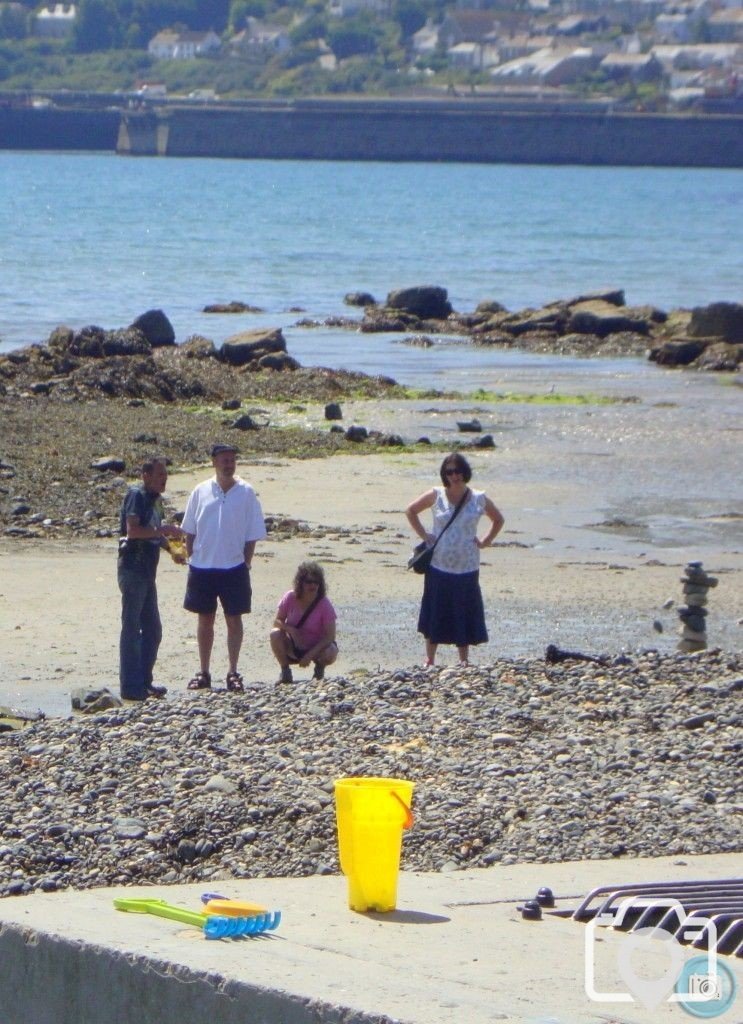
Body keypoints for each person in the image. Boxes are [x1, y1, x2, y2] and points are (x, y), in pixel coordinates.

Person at [182, 443, 267, 693]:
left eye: (232, 460)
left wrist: (246, 562)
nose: (228, 464)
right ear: (214, 462)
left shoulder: (246, 492)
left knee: (234, 619)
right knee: (205, 619)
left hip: (234, 567)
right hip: (202, 567)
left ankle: (232, 671)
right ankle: (204, 671)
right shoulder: (200, 491)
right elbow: (189, 529)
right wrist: (192, 557)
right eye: (224, 460)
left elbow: (253, 533)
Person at [405, 452, 504, 667]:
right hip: (438, 563)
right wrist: (424, 535)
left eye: (458, 471)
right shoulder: (436, 494)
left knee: (463, 609)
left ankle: (463, 659)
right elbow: (411, 511)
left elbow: (498, 519)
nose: (454, 476)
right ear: (444, 474)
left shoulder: (478, 498)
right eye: (449, 472)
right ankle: (430, 658)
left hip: (467, 566)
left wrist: (485, 541)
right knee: (435, 609)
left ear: (465, 472)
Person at [118, 457, 183, 701]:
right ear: (145, 475)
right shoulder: (136, 495)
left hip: (147, 572)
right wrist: (163, 531)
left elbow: (154, 532)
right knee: (132, 628)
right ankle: (131, 687)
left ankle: (144, 681)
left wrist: (171, 549)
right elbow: (133, 531)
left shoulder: (156, 501)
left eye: (165, 476)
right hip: (132, 569)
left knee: (153, 630)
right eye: (159, 475)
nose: (164, 480)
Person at [270, 561, 337, 684]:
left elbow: (330, 636)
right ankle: (285, 672)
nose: (312, 585)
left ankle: (319, 671)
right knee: (274, 634)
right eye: (308, 582)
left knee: (331, 651)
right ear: (300, 583)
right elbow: (277, 621)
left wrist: (310, 655)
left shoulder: (324, 603)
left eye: (316, 582)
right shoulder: (290, 597)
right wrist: (291, 630)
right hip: (294, 645)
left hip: (317, 647)